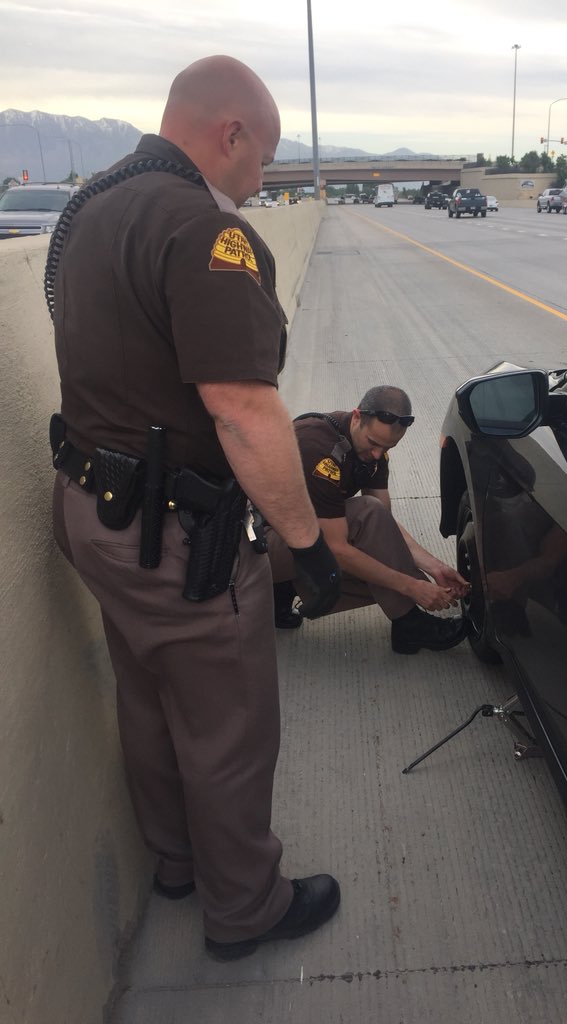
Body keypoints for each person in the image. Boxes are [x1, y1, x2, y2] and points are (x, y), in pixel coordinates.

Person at [48, 55, 342, 962]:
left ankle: (175, 863)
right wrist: (309, 544)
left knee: (148, 697)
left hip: (93, 510)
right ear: (232, 134)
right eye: (263, 161)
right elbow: (244, 410)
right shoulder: (205, 231)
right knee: (229, 725)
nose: (261, 186)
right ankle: (244, 907)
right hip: (174, 538)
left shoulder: (90, 207)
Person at [268, 386, 471, 654]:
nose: (378, 454)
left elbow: (382, 527)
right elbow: (339, 548)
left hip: (294, 543)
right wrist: (412, 586)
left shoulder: (371, 452)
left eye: (388, 447)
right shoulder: (319, 449)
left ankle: (281, 593)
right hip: (253, 551)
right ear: (356, 417)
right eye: (374, 443)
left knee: (388, 553)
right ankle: (409, 624)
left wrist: (434, 568)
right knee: (383, 546)